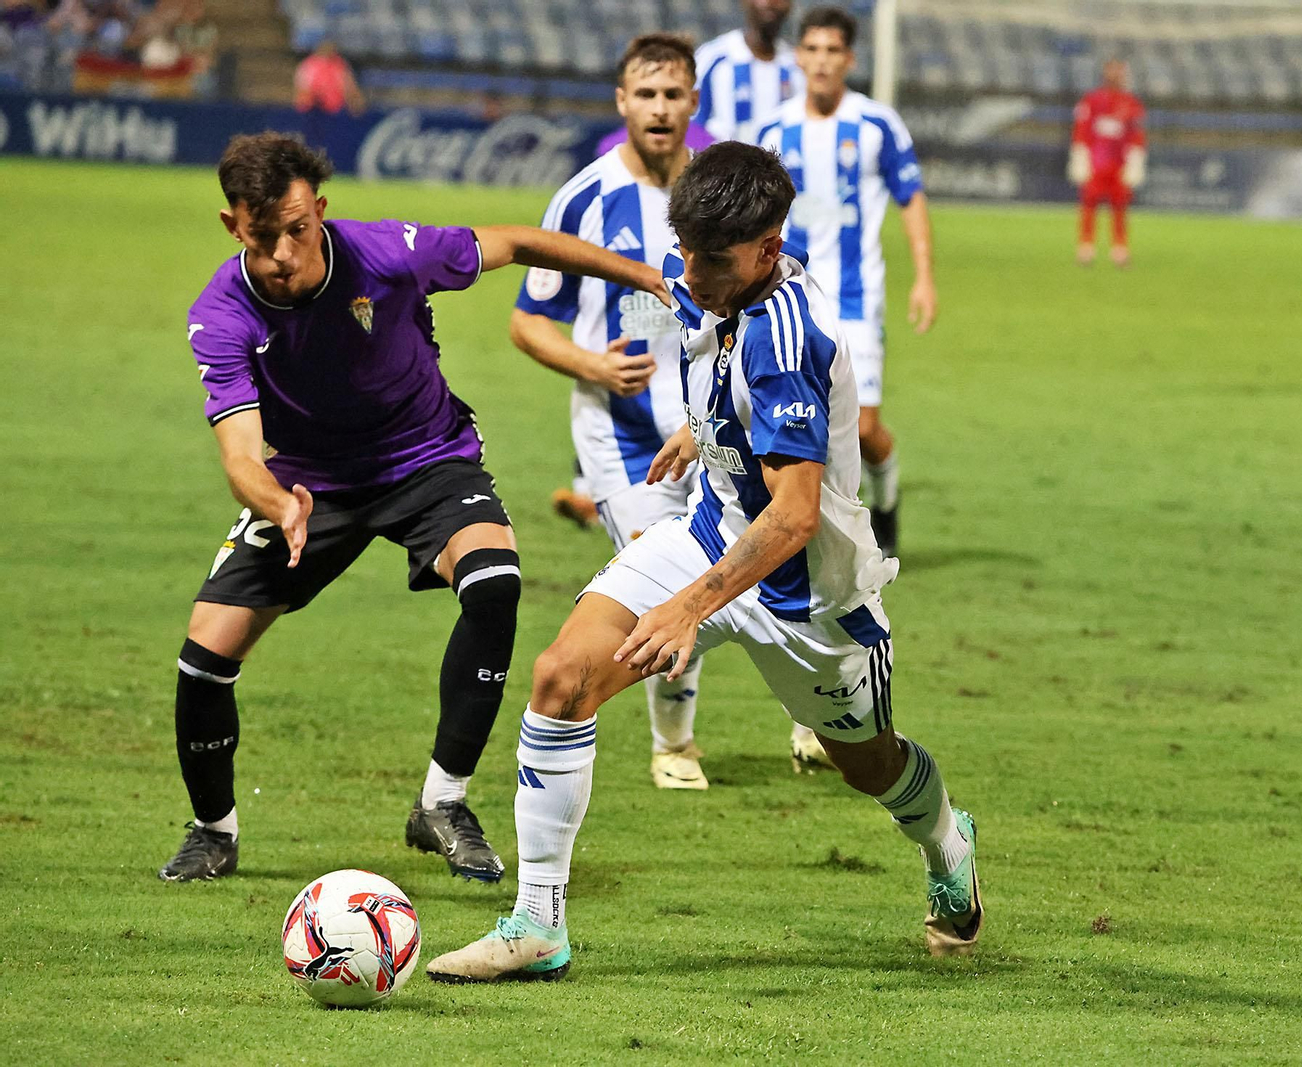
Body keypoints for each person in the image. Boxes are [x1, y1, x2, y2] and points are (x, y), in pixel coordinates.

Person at [424, 143, 983, 983]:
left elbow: (794, 516)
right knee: (560, 677)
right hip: (713, 529)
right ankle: (538, 922)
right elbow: (713, 355)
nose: (689, 273)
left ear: (768, 249)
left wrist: (687, 607)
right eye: (683, 249)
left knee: (868, 762)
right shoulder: (703, 272)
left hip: (811, 593)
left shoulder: (790, 339)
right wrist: (713, 427)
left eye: (711, 259)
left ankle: (947, 842)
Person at [160, 132, 667, 882]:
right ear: (234, 226)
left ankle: (442, 803)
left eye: (298, 230)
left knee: (494, 583)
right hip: (308, 486)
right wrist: (280, 504)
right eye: (263, 236)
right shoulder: (222, 312)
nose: (284, 253)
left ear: (320, 212)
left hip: (427, 457)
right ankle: (213, 830)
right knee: (205, 656)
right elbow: (241, 455)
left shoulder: (388, 253)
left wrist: (648, 276)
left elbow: (519, 242)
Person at [509, 34, 715, 791]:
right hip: (621, 437)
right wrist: (592, 364)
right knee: (666, 589)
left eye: (673, 95)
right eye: (645, 95)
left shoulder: (718, 191)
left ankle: (808, 709)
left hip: (714, 428)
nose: (660, 109)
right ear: (621, 102)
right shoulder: (586, 197)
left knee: (751, 576)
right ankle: (676, 743)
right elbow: (527, 321)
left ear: (693, 101)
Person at [755, 6, 934, 767]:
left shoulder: (879, 126)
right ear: (799, 57)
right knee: (817, 455)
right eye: (814, 49)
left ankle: (884, 493)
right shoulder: (774, 132)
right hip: (796, 300)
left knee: (862, 431)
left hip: (858, 303)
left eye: (835, 50)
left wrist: (925, 274)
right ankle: (836, 541)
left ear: (849, 60)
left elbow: (911, 198)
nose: (823, 61)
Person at [1069, 58, 1146, 268]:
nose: (1116, 75)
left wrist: (1135, 160)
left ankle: (1120, 249)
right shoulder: (1092, 100)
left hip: (1119, 163)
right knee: (1089, 204)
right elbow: (1081, 128)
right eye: (1112, 71)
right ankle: (1086, 247)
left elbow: (1136, 134)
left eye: (1119, 71)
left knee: (1120, 206)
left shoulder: (1131, 103)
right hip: (1096, 162)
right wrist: (1080, 156)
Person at [693, 0, 802, 144]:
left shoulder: (796, 65)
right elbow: (688, 126)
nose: (770, 3)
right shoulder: (713, 57)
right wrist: (713, 159)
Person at [293, 37, 364, 115]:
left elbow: (349, 86)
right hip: (314, 108)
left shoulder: (339, 65)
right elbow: (303, 88)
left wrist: (354, 100)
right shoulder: (309, 65)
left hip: (336, 108)